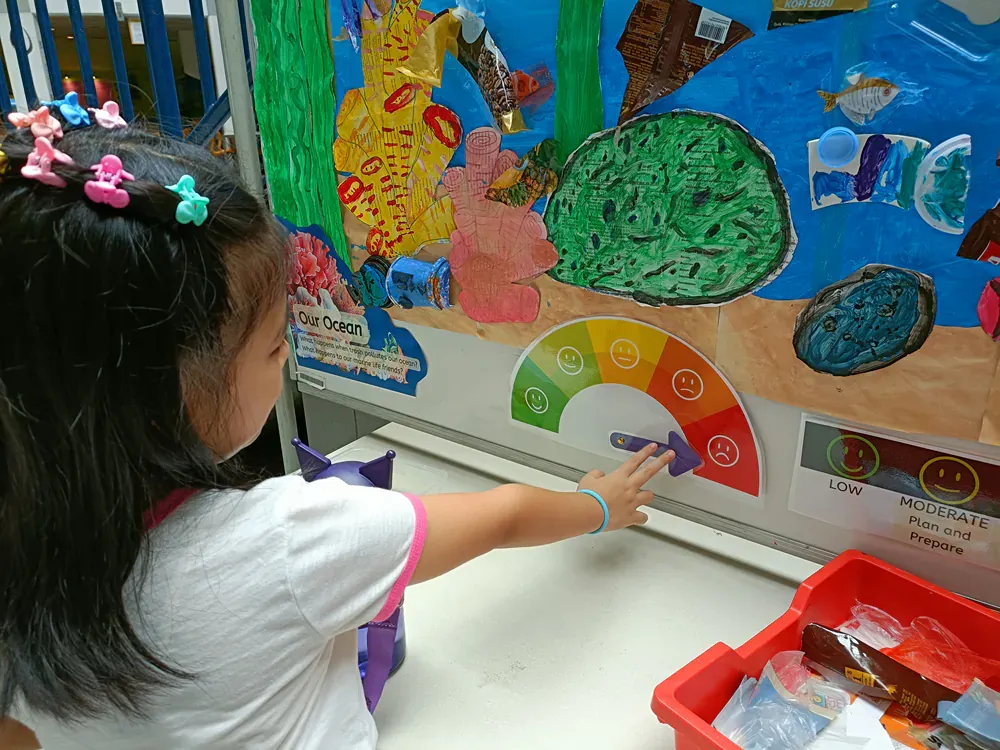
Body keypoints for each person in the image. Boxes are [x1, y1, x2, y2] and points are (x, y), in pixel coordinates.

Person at [0, 119, 674, 749]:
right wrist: (598, 506)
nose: (286, 358)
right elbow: (504, 515)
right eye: (271, 347)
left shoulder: (24, 539)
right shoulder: (289, 539)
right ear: (162, 398)